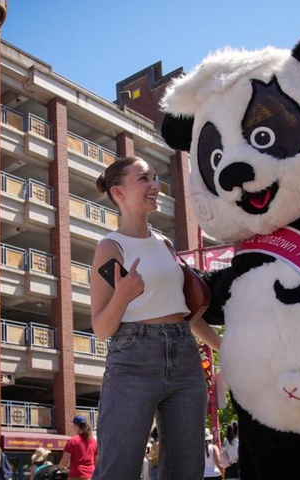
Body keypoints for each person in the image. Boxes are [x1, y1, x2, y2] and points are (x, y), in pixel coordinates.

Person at [90, 156, 216, 479]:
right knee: (118, 469)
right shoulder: (110, 247)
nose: (155, 185)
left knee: (187, 472)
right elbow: (102, 327)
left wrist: (222, 346)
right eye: (144, 179)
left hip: (185, 358)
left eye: (155, 178)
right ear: (118, 192)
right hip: (132, 361)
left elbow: (184, 312)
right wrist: (122, 296)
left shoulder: (165, 244)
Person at [57, 415, 96, 480]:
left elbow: (64, 461)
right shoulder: (93, 441)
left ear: (76, 426)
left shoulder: (72, 441)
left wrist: (60, 467)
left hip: (76, 474)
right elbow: (97, 460)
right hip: (90, 475)